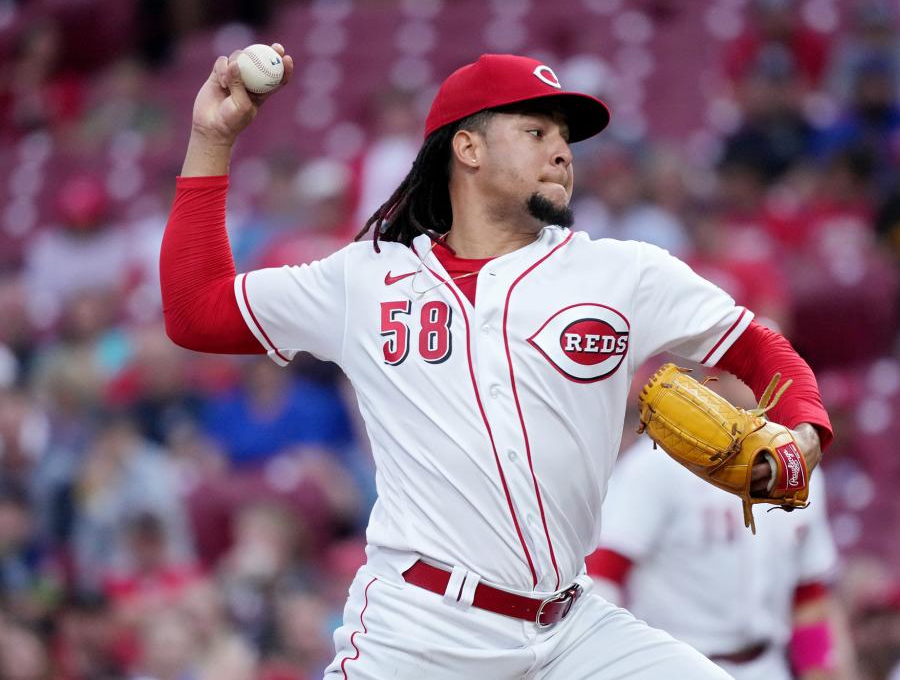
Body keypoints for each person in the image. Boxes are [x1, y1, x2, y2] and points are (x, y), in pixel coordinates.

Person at [161, 45, 833, 678]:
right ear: (468, 146)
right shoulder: (365, 280)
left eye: (565, 139)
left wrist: (803, 430)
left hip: (571, 629)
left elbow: (759, 347)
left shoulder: (621, 273)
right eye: (537, 132)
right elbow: (196, 312)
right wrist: (212, 140)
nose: (562, 153)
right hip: (421, 631)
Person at [588, 435, 842, 680]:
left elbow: (808, 595)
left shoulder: (795, 465)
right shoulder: (658, 461)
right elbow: (602, 579)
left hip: (767, 666)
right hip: (674, 666)